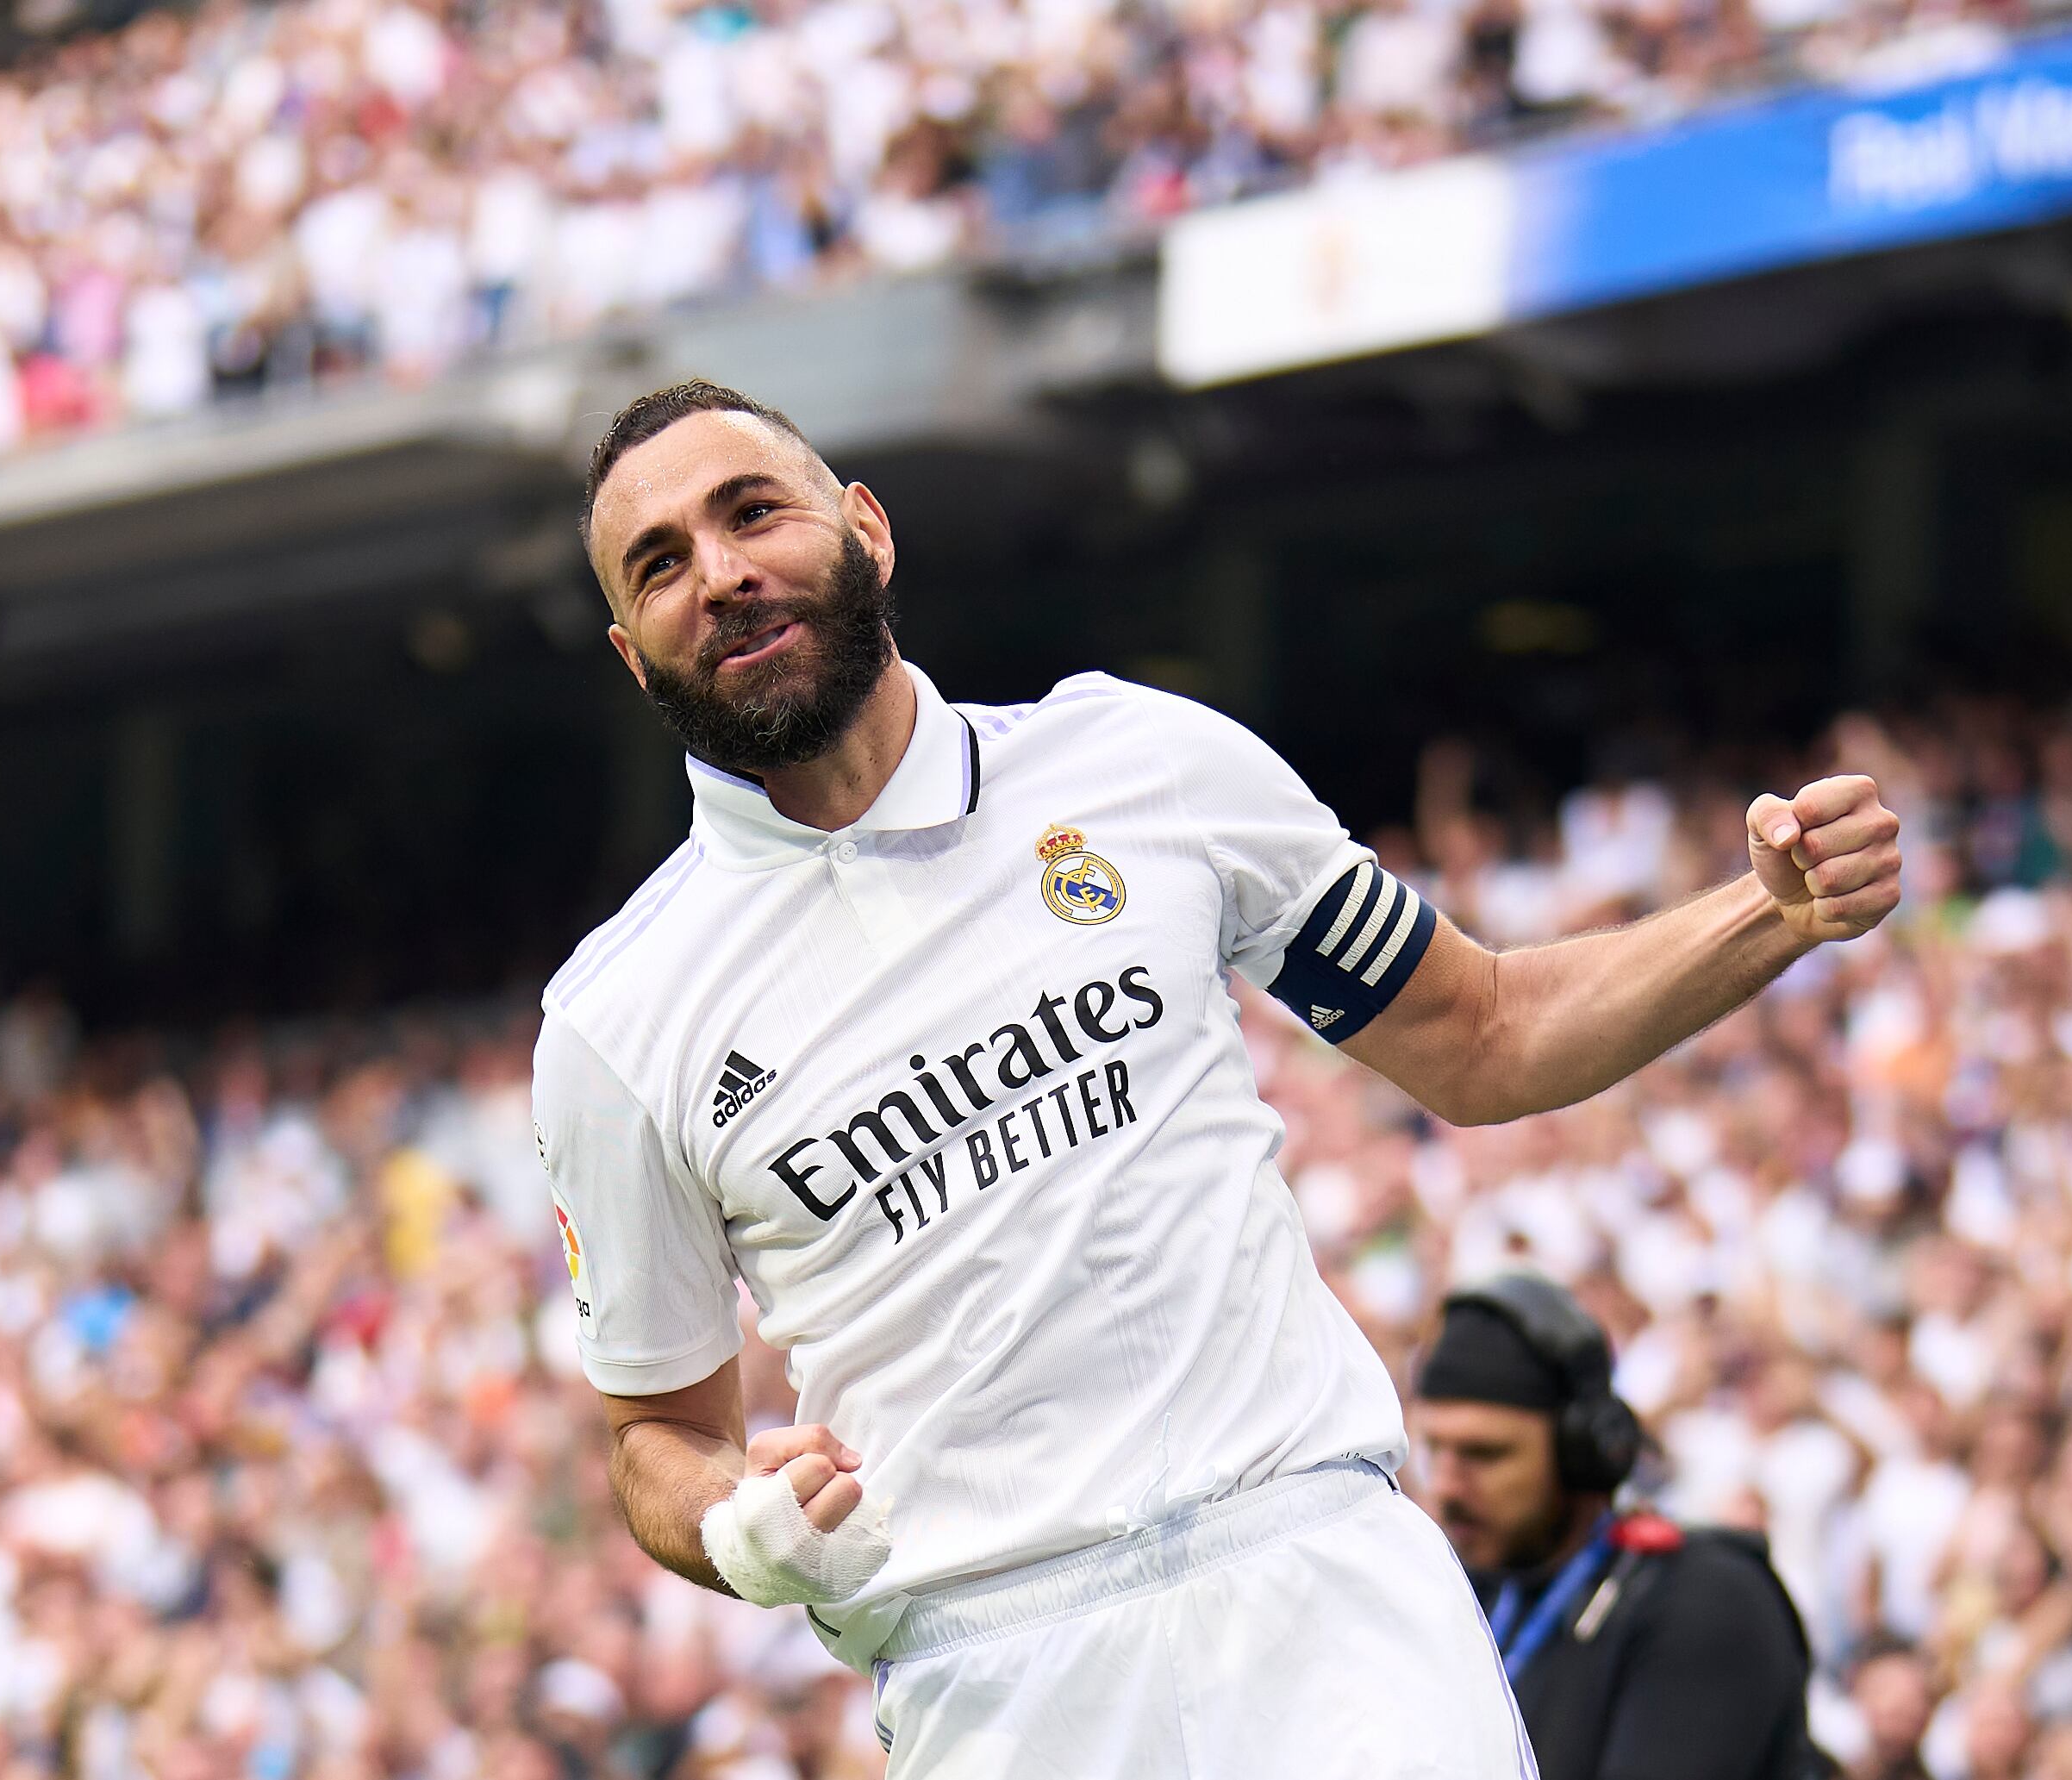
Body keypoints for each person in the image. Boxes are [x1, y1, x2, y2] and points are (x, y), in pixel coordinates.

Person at [528, 378, 1905, 1777]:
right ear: (633, 657)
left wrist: (1767, 917)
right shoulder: (617, 1021)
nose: (720, 572)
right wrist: (734, 1529)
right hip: (996, 1677)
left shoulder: (1137, 763)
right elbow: (658, 1433)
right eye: (660, 563)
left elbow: (1478, 1035)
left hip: (1323, 1591)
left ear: (866, 533)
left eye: (749, 511)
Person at [1412, 1271, 1825, 1780]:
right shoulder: (1470, 1595)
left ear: (1586, 1452)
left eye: (1485, 1454)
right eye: (1435, 1450)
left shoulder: (1706, 1600)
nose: (1448, 1486)